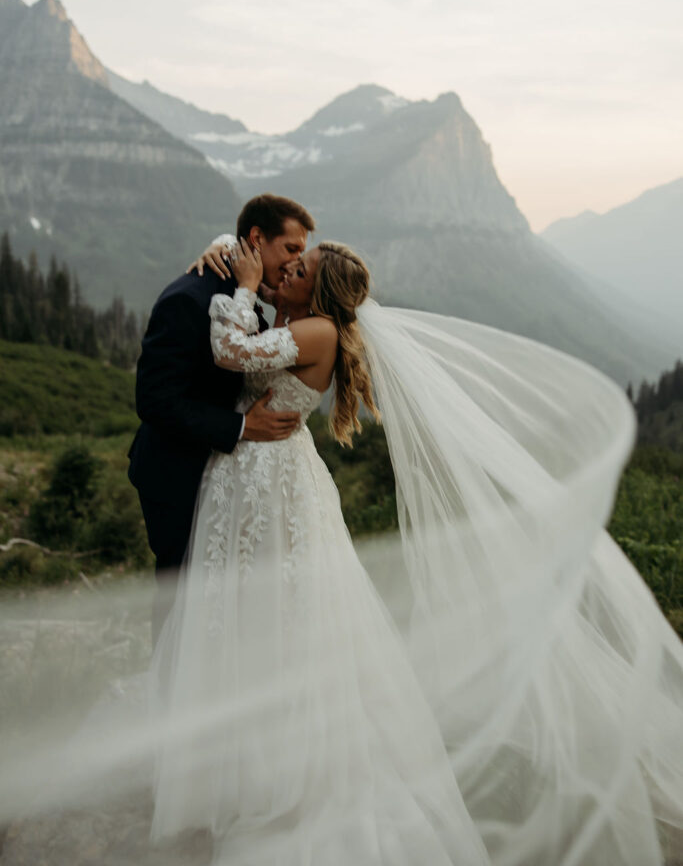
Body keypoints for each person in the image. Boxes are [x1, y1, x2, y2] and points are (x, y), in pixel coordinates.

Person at [148, 232, 683, 866]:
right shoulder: (295, 318)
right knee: (239, 613)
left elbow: (232, 350)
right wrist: (223, 251)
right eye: (294, 257)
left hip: (276, 484)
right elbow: (251, 310)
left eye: (303, 265)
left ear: (320, 290)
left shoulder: (316, 330)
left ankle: (282, 767)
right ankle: (234, 758)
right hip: (244, 476)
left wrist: (239, 286)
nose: (291, 266)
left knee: (288, 614)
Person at [127, 193, 315, 642]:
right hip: (176, 474)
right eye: (290, 249)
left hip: (227, 476)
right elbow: (155, 400)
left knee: (219, 600)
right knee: (180, 599)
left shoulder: (246, 296)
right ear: (256, 239)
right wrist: (244, 427)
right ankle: (170, 701)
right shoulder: (189, 299)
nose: (295, 262)